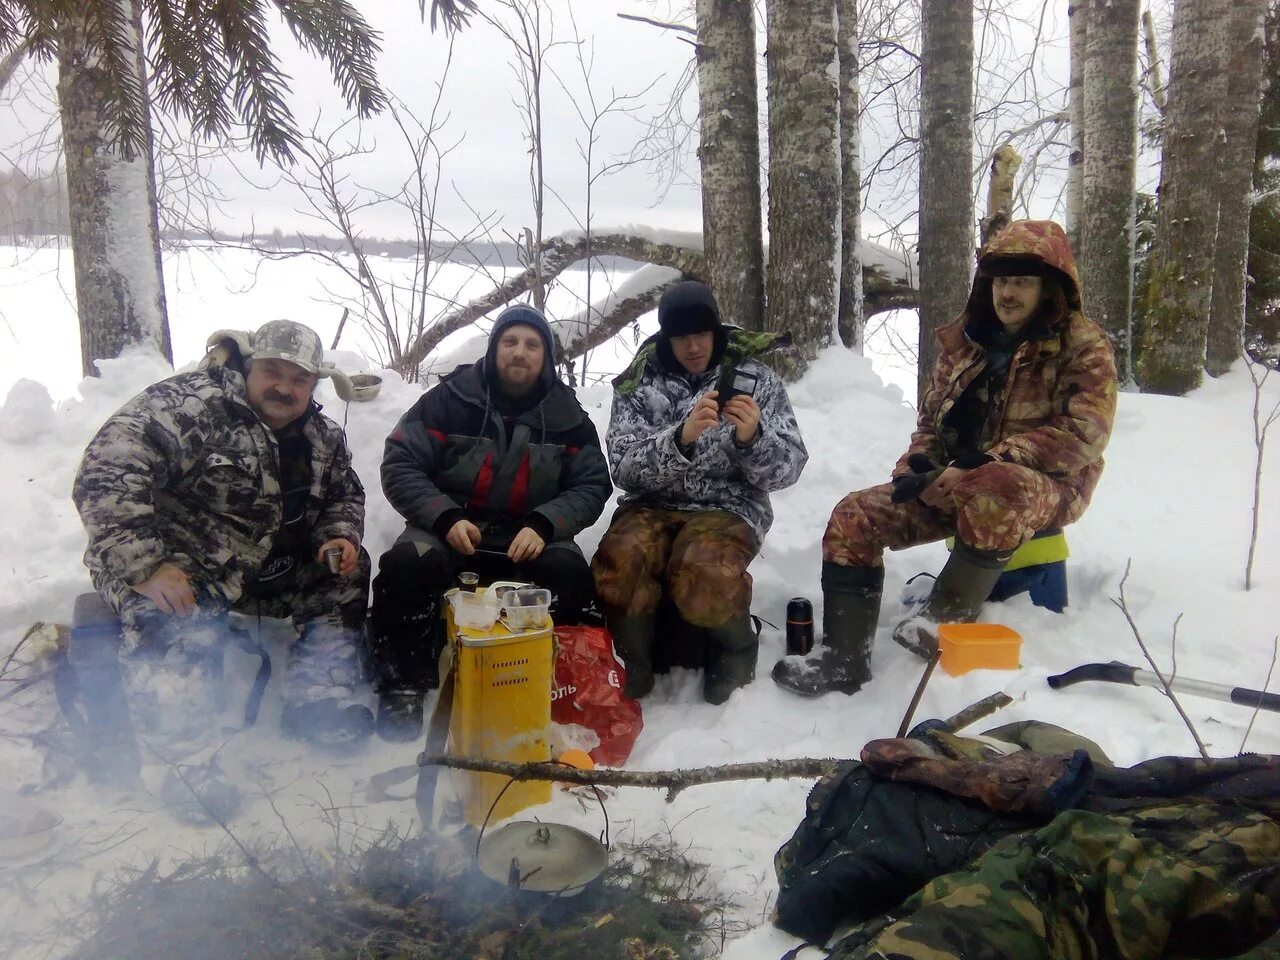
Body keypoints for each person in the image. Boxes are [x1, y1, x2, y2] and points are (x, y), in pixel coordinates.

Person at [773, 219, 1118, 697]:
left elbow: (1085, 435)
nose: (1008, 293)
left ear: (1050, 287)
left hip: (1049, 485)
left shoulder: (1083, 346)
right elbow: (930, 425)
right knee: (854, 516)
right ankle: (843, 660)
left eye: (1022, 281)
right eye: (1000, 281)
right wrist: (917, 471)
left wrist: (984, 463)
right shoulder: (965, 343)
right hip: (959, 479)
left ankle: (942, 619)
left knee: (995, 487)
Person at [72, 319, 374, 756]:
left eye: (299, 379)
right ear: (249, 366)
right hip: (181, 571)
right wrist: (146, 567)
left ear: (313, 385)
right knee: (171, 619)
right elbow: (106, 471)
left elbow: (344, 493)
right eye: (272, 371)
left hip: (268, 573)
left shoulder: (321, 436)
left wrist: (338, 536)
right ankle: (183, 758)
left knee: (347, 570)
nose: (284, 388)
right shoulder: (190, 406)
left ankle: (318, 698)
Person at [371, 304, 612, 740]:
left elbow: (593, 485)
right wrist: (443, 516)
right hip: (450, 528)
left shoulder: (568, 417)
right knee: (407, 566)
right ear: (494, 347)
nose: (520, 353)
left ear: (546, 357)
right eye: (510, 341)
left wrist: (545, 523)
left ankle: (559, 680)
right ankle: (402, 681)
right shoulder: (448, 400)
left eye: (532, 345)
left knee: (571, 577)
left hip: (531, 535)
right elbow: (401, 463)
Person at [591, 280, 808, 705]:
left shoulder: (754, 379)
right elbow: (624, 469)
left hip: (728, 507)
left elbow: (790, 467)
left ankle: (737, 647)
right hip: (652, 503)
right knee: (621, 560)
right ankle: (632, 661)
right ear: (666, 338)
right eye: (681, 338)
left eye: (701, 335)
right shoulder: (639, 383)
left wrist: (752, 438)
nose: (692, 346)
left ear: (716, 332)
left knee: (703, 570)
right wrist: (680, 440)